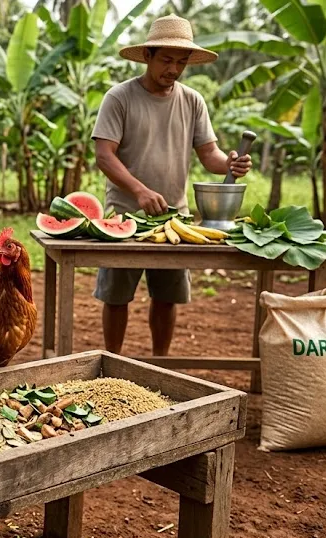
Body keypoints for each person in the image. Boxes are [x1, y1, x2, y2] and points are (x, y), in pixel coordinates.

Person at [91, 14, 252, 356]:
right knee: (116, 297)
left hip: (174, 219)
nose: (174, 69)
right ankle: (112, 364)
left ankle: (161, 364)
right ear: (147, 55)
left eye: (181, 62)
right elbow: (104, 155)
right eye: (166, 59)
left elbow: (210, 154)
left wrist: (231, 163)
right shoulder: (119, 97)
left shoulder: (192, 101)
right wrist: (139, 190)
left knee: (166, 297)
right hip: (124, 217)